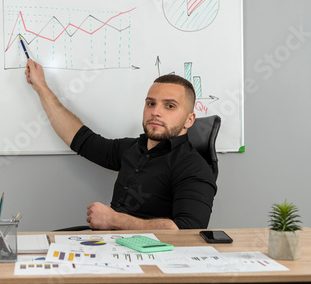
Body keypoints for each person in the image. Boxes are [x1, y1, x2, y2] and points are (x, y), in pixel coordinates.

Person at [25, 58, 217, 230]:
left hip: (150, 257)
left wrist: (114, 220)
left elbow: (189, 230)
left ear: (190, 120)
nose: (156, 112)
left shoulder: (193, 167)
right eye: (151, 103)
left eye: (170, 106)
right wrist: (41, 87)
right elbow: (80, 139)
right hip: (111, 245)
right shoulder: (132, 148)